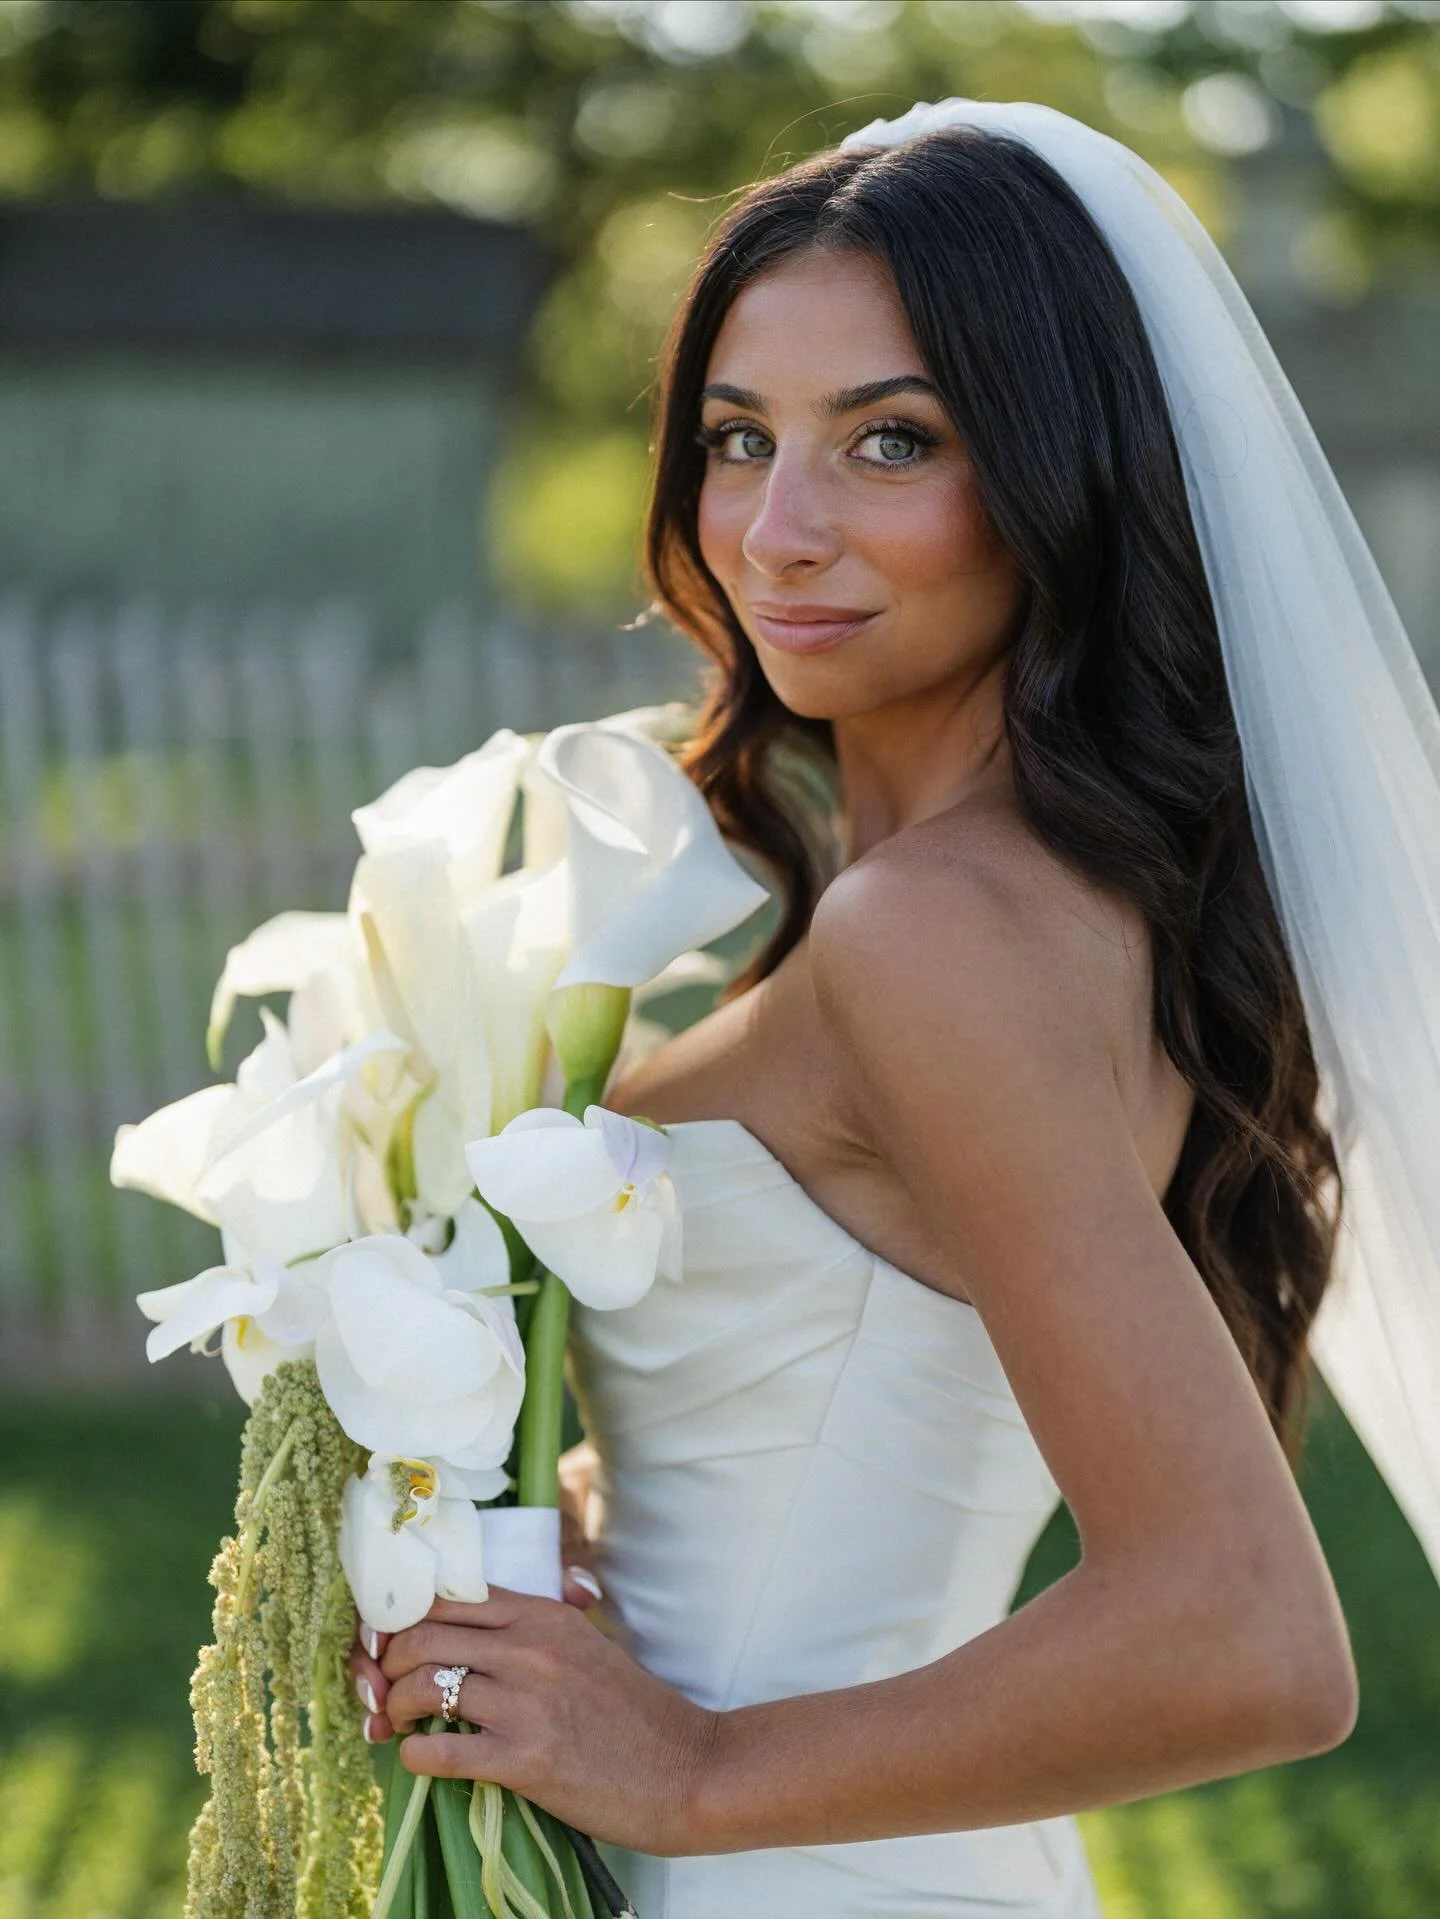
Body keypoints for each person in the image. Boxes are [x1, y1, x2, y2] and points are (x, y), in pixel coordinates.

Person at [348, 101, 1440, 1918]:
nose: (777, 528)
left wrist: (693, 1767)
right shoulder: (1034, 901)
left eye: (891, 440)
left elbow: (1248, 1632)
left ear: (1059, 469)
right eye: (735, 438)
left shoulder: (936, 929)